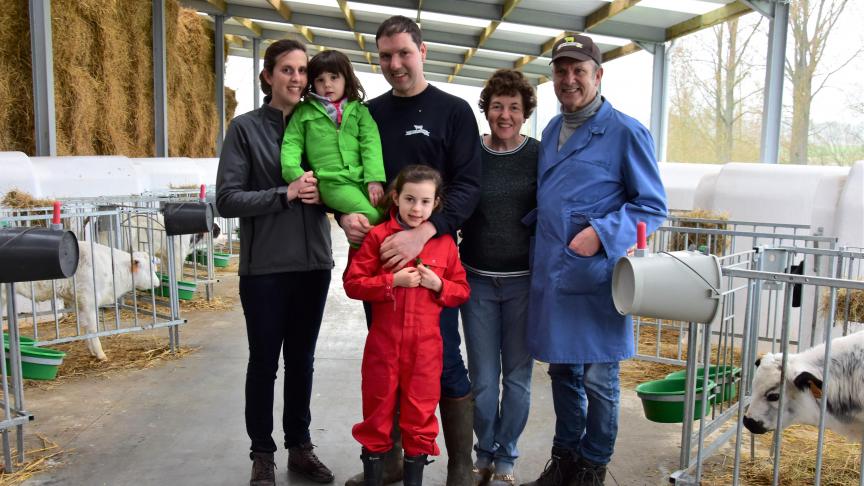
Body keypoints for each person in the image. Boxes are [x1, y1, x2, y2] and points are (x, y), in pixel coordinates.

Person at [339, 15, 482, 486]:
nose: (394, 64)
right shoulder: (368, 113)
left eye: (403, 53)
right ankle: (393, 458)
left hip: (431, 259)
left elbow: (468, 185)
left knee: (443, 361)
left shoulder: (454, 111)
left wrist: (425, 233)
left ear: (423, 52)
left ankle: (460, 461)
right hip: (379, 256)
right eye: (385, 55)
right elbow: (348, 175)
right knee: (388, 362)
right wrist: (345, 215)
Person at [520, 35, 667, 486]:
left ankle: (592, 466)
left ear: (597, 75)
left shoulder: (625, 131)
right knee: (562, 372)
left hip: (595, 277)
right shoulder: (549, 131)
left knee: (600, 380)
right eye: (561, 71)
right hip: (552, 270)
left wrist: (600, 234)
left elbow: (652, 205)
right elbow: (553, 198)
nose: (569, 80)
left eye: (578, 70)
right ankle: (564, 459)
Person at [216, 39, 336, 486]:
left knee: (302, 360)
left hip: (313, 266)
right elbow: (226, 200)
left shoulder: (321, 125)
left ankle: (300, 446)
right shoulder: (245, 129)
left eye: (303, 71)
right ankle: (262, 452)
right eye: (287, 70)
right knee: (264, 361)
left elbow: (340, 177)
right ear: (268, 76)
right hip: (265, 267)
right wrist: (282, 194)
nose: (297, 79)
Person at [344, 165, 471, 486]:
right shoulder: (377, 237)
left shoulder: (444, 244)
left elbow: (462, 291)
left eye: (425, 202)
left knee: (419, 420)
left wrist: (438, 284)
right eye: (410, 199)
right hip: (383, 348)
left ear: (436, 204)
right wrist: (392, 281)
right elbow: (353, 283)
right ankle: (378, 471)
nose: (417, 208)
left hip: (426, 352)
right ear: (395, 198)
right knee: (377, 416)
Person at [459, 69, 539, 486]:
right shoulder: (472, 153)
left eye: (513, 107)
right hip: (477, 282)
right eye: (497, 106)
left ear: (525, 112)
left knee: (519, 380)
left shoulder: (540, 154)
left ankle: (507, 456)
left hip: (524, 282)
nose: (504, 114)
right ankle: (484, 451)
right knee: (484, 381)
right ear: (486, 110)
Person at [280, 49, 386, 228]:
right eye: (320, 80)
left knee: (386, 213)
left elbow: (371, 143)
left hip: (361, 178)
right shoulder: (304, 111)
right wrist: (296, 176)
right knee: (373, 217)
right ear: (313, 83)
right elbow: (291, 144)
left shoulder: (360, 111)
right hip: (332, 183)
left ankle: (364, 251)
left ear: (346, 78)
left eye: (334, 77)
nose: (327, 85)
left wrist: (374, 179)